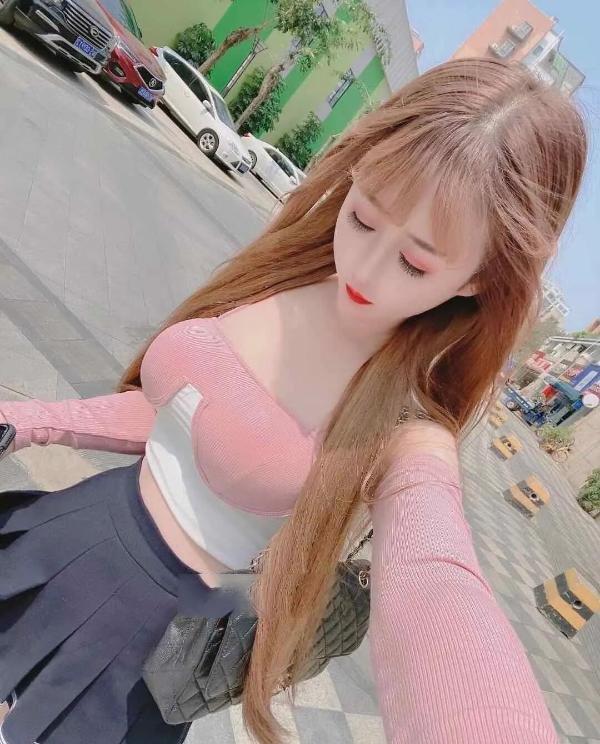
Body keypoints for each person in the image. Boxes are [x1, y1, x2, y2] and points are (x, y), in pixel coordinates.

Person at [0, 57, 586, 744]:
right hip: (71, 531)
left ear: (480, 279)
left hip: (143, 640)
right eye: (363, 218)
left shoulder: (405, 426)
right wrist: (29, 422)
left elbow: (436, 584)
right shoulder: (285, 273)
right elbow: (177, 413)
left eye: (415, 262)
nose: (364, 268)